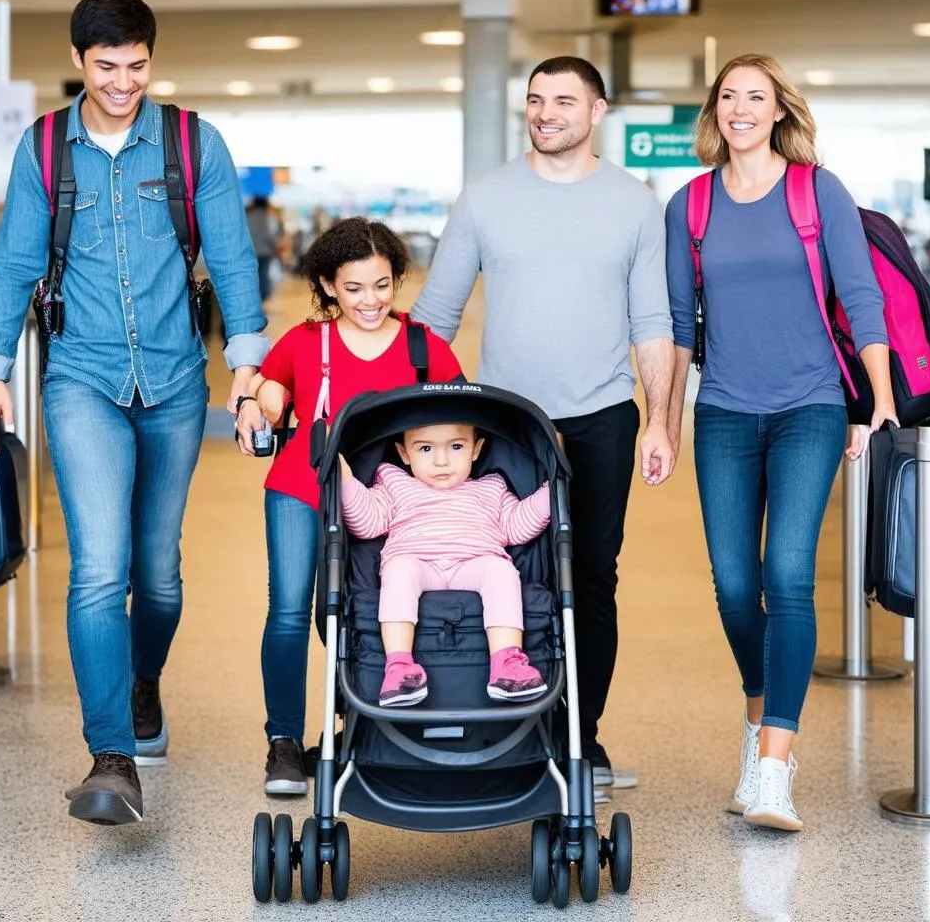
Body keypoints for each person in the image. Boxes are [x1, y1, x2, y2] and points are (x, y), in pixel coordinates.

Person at [0, 0, 268, 826]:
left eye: (138, 66)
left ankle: (142, 682)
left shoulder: (190, 141)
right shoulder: (42, 151)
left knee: (159, 578)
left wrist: (246, 366)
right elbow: (13, 265)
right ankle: (111, 756)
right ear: (78, 61)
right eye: (107, 67)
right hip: (81, 381)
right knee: (99, 571)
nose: (123, 82)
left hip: (176, 382)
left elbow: (235, 261)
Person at [411, 55, 675, 797]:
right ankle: (509, 726)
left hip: (601, 417)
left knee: (590, 579)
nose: (545, 111)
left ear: (598, 111)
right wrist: (413, 417)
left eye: (563, 100)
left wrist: (660, 421)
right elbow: (436, 315)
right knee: (511, 577)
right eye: (535, 99)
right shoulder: (486, 198)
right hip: (507, 424)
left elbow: (652, 321)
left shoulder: (633, 203)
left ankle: (579, 739)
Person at [664, 53, 896, 832]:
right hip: (725, 411)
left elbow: (861, 296)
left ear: (779, 112)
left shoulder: (816, 190)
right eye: (728, 96)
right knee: (734, 587)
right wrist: (661, 422)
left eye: (755, 97)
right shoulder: (690, 206)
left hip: (810, 407)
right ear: (715, 111)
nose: (740, 109)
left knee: (786, 576)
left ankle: (773, 767)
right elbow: (672, 324)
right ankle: (759, 714)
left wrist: (883, 397)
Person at [234, 218, 464, 795]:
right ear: (330, 285)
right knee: (289, 611)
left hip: (388, 501)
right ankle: (284, 744)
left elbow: (464, 418)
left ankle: (354, 717)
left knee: (351, 612)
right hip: (302, 488)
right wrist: (259, 398)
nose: (371, 300)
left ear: (398, 281)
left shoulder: (423, 348)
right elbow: (271, 389)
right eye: (355, 288)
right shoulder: (308, 342)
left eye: (383, 285)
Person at [339, 422, 550, 706]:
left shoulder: (492, 487)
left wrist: (550, 494)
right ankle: (399, 666)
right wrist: (345, 480)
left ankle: (508, 662)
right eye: (425, 448)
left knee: (502, 572)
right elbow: (367, 522)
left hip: (475, 561)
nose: (441, 460)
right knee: (399, 571)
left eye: (456, 446)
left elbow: (516, 526)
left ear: (476, 449)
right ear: (403, 453)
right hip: (417, 560)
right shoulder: (394, 482)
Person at [246, 195, 281, 302]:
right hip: (265, 252)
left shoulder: (247, 216)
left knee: (252, 276)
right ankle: (261, 298)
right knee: (263, 276)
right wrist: (275, 247)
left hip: (250, 251)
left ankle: (254, 299)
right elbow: (270, 235)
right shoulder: (268, 217)